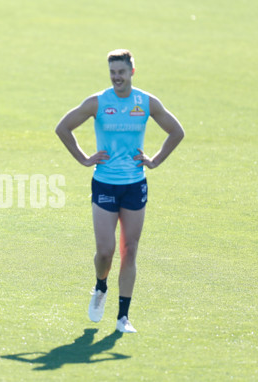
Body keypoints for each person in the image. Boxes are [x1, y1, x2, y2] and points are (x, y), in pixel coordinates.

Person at [55, 49, 184, 333]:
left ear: (132, 73)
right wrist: (83, 158)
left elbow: (177, 132)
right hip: (104, 183)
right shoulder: (98, 102)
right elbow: (63, 127)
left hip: (134, 185)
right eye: (112, 72)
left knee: (129, 250)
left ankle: (122, 317)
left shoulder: (146, 102)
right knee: (105, 251)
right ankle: (100, 286)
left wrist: (155, 160)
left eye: (121, 72)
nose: (116, 78)